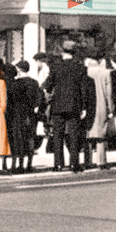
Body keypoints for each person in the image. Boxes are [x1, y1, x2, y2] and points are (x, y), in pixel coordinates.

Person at [42, 41, 93, 173]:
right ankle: (74, 164)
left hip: (58, 105)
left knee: (57, 135)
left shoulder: (55, 67)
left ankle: (58, 164)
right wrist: (84, 107)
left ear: (62, 52)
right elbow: (84, 90)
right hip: (74, 105)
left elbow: (47, 86)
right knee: (73, 135)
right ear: (74, 52)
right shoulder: (80, 68)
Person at [7, 61, 42, 173]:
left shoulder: (16, 83)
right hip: (31, 114)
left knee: (18, 138)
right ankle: (29, 164)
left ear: (19, 69)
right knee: (30, 137)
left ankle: (17, 164)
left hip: (17, 114)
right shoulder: (34, 83)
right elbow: (39, 98)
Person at [84, 51, 113, 169]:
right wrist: (110, 108)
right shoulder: (105, 73)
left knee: (88, 134)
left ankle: (88, 161)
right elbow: (108, 93)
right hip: (101, 106)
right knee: (101, 135)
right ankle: (101, 161)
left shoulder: (85, 72)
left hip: (88, 107)